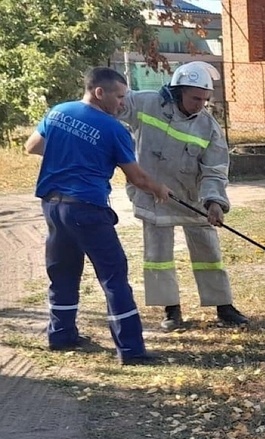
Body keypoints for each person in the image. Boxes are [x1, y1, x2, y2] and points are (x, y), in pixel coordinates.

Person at [25, 66, 173, 365]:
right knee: (114, 277)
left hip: (53, 205)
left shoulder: (57, 112)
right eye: (119, 97)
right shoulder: (114, 129)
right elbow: (137, 179)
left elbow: (32, 146)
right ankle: (131, 351)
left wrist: (71, 154)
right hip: (87, 208)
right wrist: (159, 189)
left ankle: (61, 335)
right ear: (99, 92)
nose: (122, 104)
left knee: (63, 272)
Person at [118, 61, 249, 332]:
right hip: (152, 195)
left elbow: (215, 169)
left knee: (209, 254)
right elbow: (112, 103)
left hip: (192, 199)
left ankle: (223, 306)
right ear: (177, 92)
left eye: (205, 99)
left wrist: (214, 202)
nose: (200, 104)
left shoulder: (209, 127)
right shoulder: (146, 103)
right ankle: (171, 310)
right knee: (158, 255)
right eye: (194, 98)